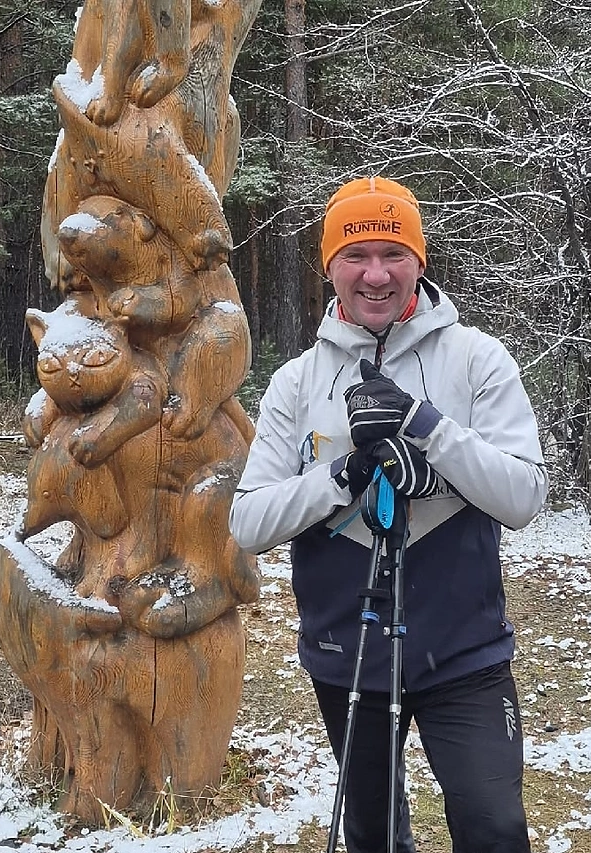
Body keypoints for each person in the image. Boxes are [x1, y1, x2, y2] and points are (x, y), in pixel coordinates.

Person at [229, 176, 548, 853]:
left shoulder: (476, 359)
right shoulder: (297, 382)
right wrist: (341, 477)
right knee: (374, 837)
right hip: (350, 656)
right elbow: (249, 523)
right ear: (330, 267)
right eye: (356, 254)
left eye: (393, 253)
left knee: (495, 831)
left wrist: (427, 427)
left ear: (419, 261)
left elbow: (523, 496)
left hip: (464, 653)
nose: (376, 274)